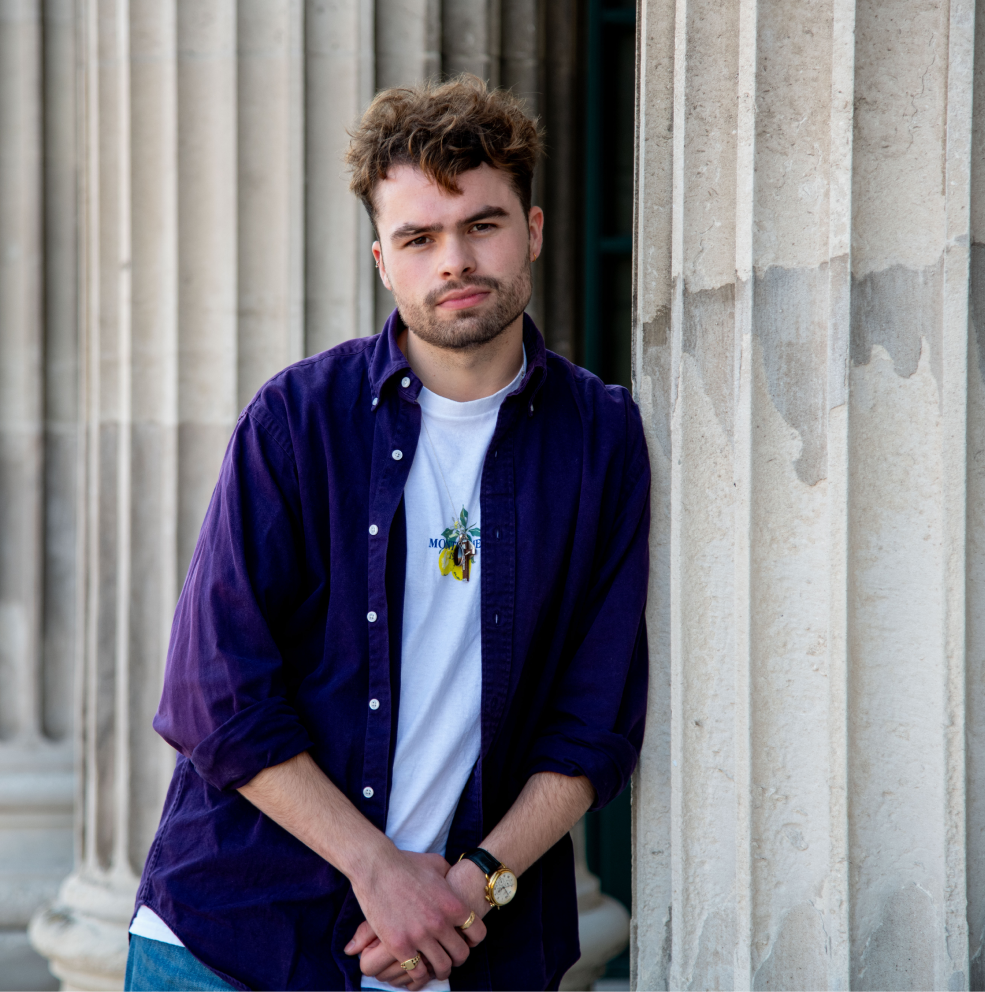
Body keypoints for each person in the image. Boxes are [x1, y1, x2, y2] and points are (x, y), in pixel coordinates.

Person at [124, 74, 650, 992]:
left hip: (470, 951)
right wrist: (378, 871)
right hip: (238, 940)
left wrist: (472, 886)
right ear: (383, 260)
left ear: (531, 230)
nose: (455, 260)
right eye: (419, 238)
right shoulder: (297, 420)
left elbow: (594, 722)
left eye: (482, 225)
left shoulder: (601, 441)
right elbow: (214, 694)